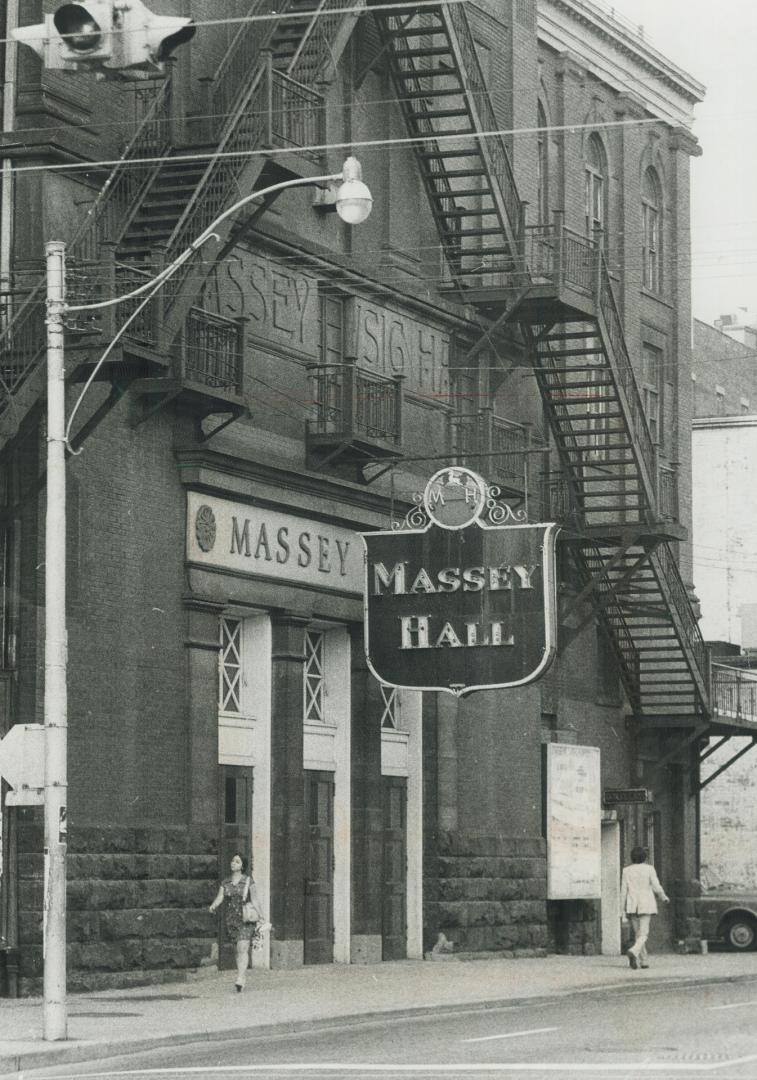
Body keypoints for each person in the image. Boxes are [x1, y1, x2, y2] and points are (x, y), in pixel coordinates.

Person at [209, 853, 264, 992]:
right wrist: (213, 905)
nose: (233, 863)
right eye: (233, 860)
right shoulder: (225, 882)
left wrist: (261, 916)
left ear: (242, 866)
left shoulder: (248, 881)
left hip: (245, 919)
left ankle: (240, 977)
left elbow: (255, 900)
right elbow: (220, 897)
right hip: (231, 920)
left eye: (237, 861)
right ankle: (242, 975)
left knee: (243, 947)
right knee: (237, 949)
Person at [620, 845, 669, 970]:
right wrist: (663, 897)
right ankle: (634, 951)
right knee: (644, 934)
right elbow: (656, 885)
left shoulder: (626, 870)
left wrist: (622, 910)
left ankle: (644, 961)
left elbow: (623, 891)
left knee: (638, 934)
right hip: (646, 904)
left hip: (632, 906)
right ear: (644, 857)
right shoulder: (649, 869)